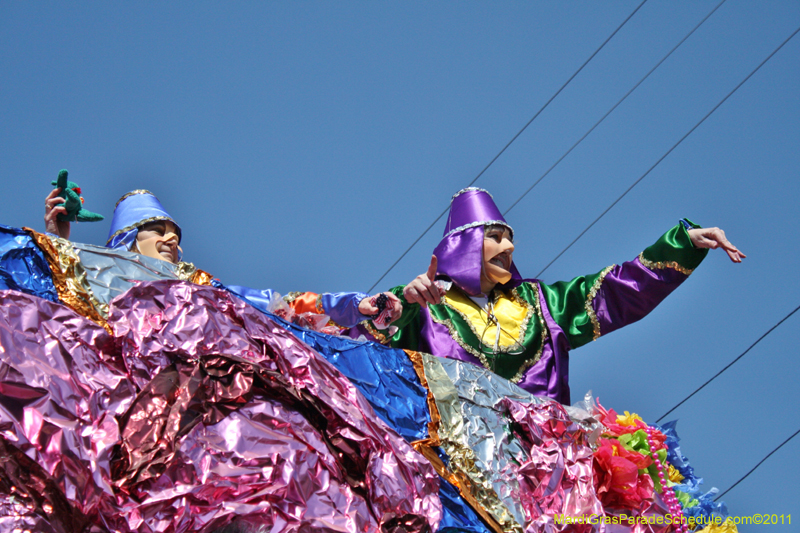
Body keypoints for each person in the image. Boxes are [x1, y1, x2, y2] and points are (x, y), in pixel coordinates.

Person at [385, 187, 744, 404]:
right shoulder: (428, 305)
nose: (509, 246)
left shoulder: (539, 303)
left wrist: (681, 245)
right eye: (495, 236)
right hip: (454, 462)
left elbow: (613, 292)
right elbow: (364, 338)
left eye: (509, 238)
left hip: (542, 465)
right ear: (465, 246)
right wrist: (402, 307)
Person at [45, 187, 401, 329]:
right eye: (157, 229)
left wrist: (354, 306)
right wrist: (56, 245)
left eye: (176, 234)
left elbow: (280, 307)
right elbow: (52, 309)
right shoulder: (94, 278)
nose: (171, 239)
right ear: (127, 239)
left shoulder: (200, 290)